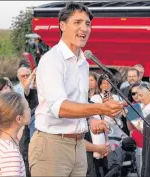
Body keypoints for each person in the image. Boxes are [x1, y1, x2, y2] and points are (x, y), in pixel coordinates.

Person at [28, 2, 123, 176]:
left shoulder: (84, 63)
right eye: (77, 22)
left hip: (79, 146)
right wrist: (101, 108)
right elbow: (61, 107)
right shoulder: (52, 60)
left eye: (87, 24)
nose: (84, 28)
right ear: (62, 26)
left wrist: (91, 119)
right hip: (52, 145)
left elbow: (77, 102)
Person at [0, 92, 31, 176]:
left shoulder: (0, 142)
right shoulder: (10, 153)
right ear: (19, 119)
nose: (29, 110)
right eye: (27, 108)